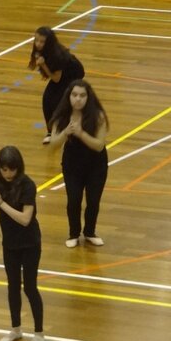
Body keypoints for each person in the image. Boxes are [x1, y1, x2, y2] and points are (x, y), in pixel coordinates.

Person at [0, 146, 45, 341]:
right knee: (13, 286)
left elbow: (25, 219)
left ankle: (39, 333)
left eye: (12, 169)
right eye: (4, 170)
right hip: (9, 243)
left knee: (30, 287)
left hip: (30, 244)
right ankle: (16, 329)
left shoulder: (28, 185)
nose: (8, 174)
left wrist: (0, 203)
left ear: (19, 167)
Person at [49, 79, 108, 248]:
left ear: (88, 97)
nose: (78, 99)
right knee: (74, 200)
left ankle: (90, 232)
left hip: (96, 165)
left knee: (93, 201)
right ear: (69, 96)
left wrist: (81, 133)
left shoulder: (98, 116)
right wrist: (66, 133)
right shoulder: (62, 117)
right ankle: (73, 233)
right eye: (74, 95)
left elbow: (99, 145)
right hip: (72, 164)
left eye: (82, 95)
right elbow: (53, 144)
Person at [29, 27, 84, 144]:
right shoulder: (41, 50)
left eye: (42, 41)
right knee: (47, 99)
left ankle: (67, 129)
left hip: (73, 74)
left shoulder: (57, 55)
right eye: (36, 40)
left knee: (58, 100)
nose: (38, 44)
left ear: (48, 42)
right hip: (61, 75)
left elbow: (56, 79)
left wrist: (43, 65)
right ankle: (50, 131)